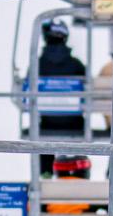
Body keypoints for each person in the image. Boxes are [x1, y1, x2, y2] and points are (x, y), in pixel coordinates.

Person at [32, 18, 88, 175]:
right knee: (77, 146)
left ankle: (45, 175)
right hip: (74, 122)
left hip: (47, 122)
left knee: (43, 142)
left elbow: (27, 93)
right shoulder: (76, 65)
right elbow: (87, 93)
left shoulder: (37, 65)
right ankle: (78, 175)